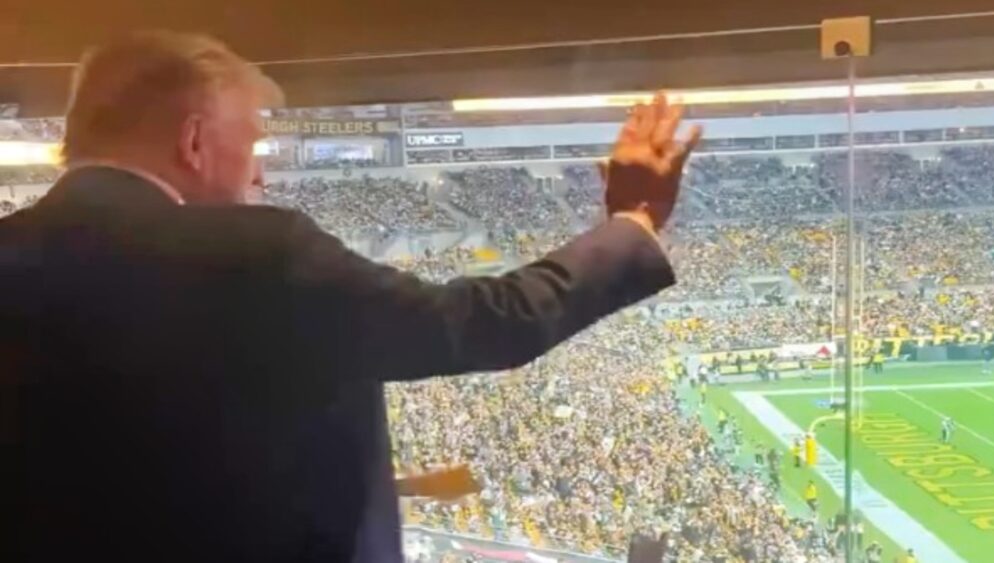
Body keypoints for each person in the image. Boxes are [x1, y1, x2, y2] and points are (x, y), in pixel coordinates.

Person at [0, 32, 703, 563]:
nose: (260, 182)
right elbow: (480, 324)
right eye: (253, 150)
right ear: (193, 141)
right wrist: (631, 223)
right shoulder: (258, 256)